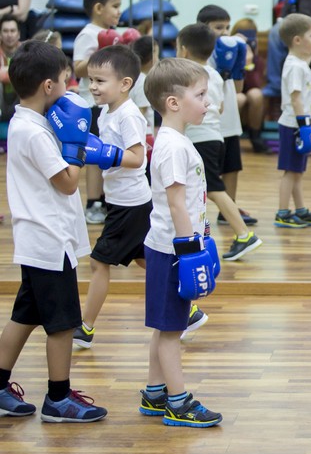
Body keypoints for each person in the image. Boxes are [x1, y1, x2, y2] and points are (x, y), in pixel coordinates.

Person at [0, 40, 107, 422]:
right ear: (48, 86)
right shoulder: (34, 132)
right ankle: (58, 399)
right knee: (62, 324)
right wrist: (77, 149)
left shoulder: (30, 123)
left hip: (39, 238)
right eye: (66, 80)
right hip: (49, 240)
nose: (70, 87)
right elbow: (66, 182)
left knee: (25, 314)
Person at [140, 57, 222, 428]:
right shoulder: (173, 146)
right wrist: (191, 251)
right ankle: (177, 401)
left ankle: (155, 391)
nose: (208, 102)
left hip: (168, 247)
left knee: (166, 324)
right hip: (173, 250)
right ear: (173, 102)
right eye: (201, 95)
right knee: (174, 328)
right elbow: (175, 202)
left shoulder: (177, 141)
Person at [69, 45, 150, 349]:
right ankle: (189, 309)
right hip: (123, 199)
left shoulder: (128, 116)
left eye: (100, 81)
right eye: (91, 79)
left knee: (99, 262)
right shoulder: (105, 112)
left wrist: (105, 154)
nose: (92, 86)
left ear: (125, 84)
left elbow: (137, 157)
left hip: (130, 203)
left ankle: (86, 327)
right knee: (146, 259)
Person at [178, 23, 262, 261]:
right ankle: (193, 235)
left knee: (214, 189)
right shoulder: (213, 74)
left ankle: (244, 235)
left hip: (201, 139)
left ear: (183, 50)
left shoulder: (187, 75)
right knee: (198, 189)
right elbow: (222, 106)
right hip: (214, 137)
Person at [197, 5, 258, 228]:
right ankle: (199, 210)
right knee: (205, 171)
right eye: (218, 27)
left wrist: (238, 65)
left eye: (227, 27)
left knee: (232, 166)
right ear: (203, 28)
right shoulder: (201, 55)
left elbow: (239, 88)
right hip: (208, 121)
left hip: (230, 119)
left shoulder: (231, 49)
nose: (224, 32)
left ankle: (228, 209)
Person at [73, 0, 123, 225]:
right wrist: (101, 50)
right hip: (91, 103)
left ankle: (105, 199)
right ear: (98, 8)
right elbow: (78, 68)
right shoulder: (88, 34)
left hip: (111, 104)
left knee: (109, 151)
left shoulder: (116, 33)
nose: (119, 11)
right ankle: (93, 201)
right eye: (115, 6)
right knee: (93, 155)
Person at [274, 13, 311, 228]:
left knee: (297, 170)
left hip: (299, 123)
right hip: (293, 126)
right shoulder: (295, 65)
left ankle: (301, 210)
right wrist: (304, 125)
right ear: (297, 40)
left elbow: (304, 98)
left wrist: (310, 118)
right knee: (290, 171)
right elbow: (296, 98)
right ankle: (282, 213)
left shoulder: (300, 64)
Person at [231, 19, 268, 153]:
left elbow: (255, 85)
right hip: (233, 100)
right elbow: (233, 87)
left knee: (256, 94)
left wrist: (248, 63)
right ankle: (232, 140)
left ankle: (255, 137)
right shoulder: (228, 57)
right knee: (239, 97)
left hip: (252, 108)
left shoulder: (257, 60)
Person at [129, 35, 158, 143]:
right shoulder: (142, 81)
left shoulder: (136, 77)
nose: (158, 58)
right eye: (156, 53)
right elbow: (141, 112)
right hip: (143, 135)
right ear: (150, 57)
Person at [0, 16, 22, 122]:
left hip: (19, 99)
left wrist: (4, 73)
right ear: (0, 34)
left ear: (18, 34)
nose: (9, 35)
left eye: (12, 31)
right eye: (5, 31)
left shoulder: (27, 52)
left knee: (27, 82)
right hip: (2, 99)